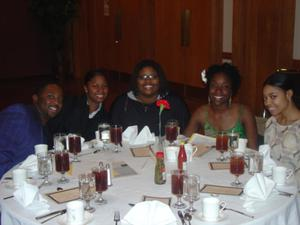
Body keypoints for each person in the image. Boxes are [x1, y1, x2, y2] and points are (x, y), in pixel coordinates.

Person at [184, 63, 258, 149]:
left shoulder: (244, 113)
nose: (218, 90)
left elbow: (254, 151)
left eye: (225, 86)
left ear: (231, 90)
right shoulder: (201, 113)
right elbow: (183, 141)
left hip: (238, 161)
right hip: (210, 161)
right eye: (214, 85)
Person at [110, 59, 190, 136]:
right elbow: (113, 133)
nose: (148, 81)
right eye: (143, 77)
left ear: (160, 79)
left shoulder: (175, 102)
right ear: (136, 80)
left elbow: (185, 134)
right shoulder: (122, 103)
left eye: (153, 77)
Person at [0, 81, 63, 178]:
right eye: (50, 97)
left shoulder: (44, 125)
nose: (56, 102)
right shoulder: (19, 114)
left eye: (60, 99)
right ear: (35, 98)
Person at [263, 70, 300, 182]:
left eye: (273, 96)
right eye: (265, 98)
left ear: (288, 94)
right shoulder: (271, 123)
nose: (267, 103)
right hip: (271, 186)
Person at [61, 69, 110, 141]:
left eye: (104, 86)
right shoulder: (71, 105)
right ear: (86, 88)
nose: (101, 90)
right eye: (95, 86)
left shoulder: (105, 116)